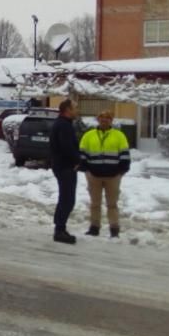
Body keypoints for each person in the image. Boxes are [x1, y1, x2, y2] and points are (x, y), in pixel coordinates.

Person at [79, 110, 130, 238]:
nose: (104, 120)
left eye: (107, 118)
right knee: (95, 204)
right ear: (98, 120)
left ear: (111, 120)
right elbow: (82, 153)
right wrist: (85, 167)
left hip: (113, 176)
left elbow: (124, 154)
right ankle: (94, 227)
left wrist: (122, 170)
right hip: (93, 175)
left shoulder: (119, 136)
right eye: (102, 118)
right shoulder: (88, 135)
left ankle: (114, 229)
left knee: (112, 204)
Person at [48, 99, 79, 245]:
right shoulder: (63, 126)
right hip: (65, 167)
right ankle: (59, 230)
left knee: (66, 198)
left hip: (63, 166)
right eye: (74, 108)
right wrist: (77, 160)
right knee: (67, 199)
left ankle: (60, 227)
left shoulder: (63, 124)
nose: (76, 111)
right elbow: (67, 147)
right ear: (67, 109)